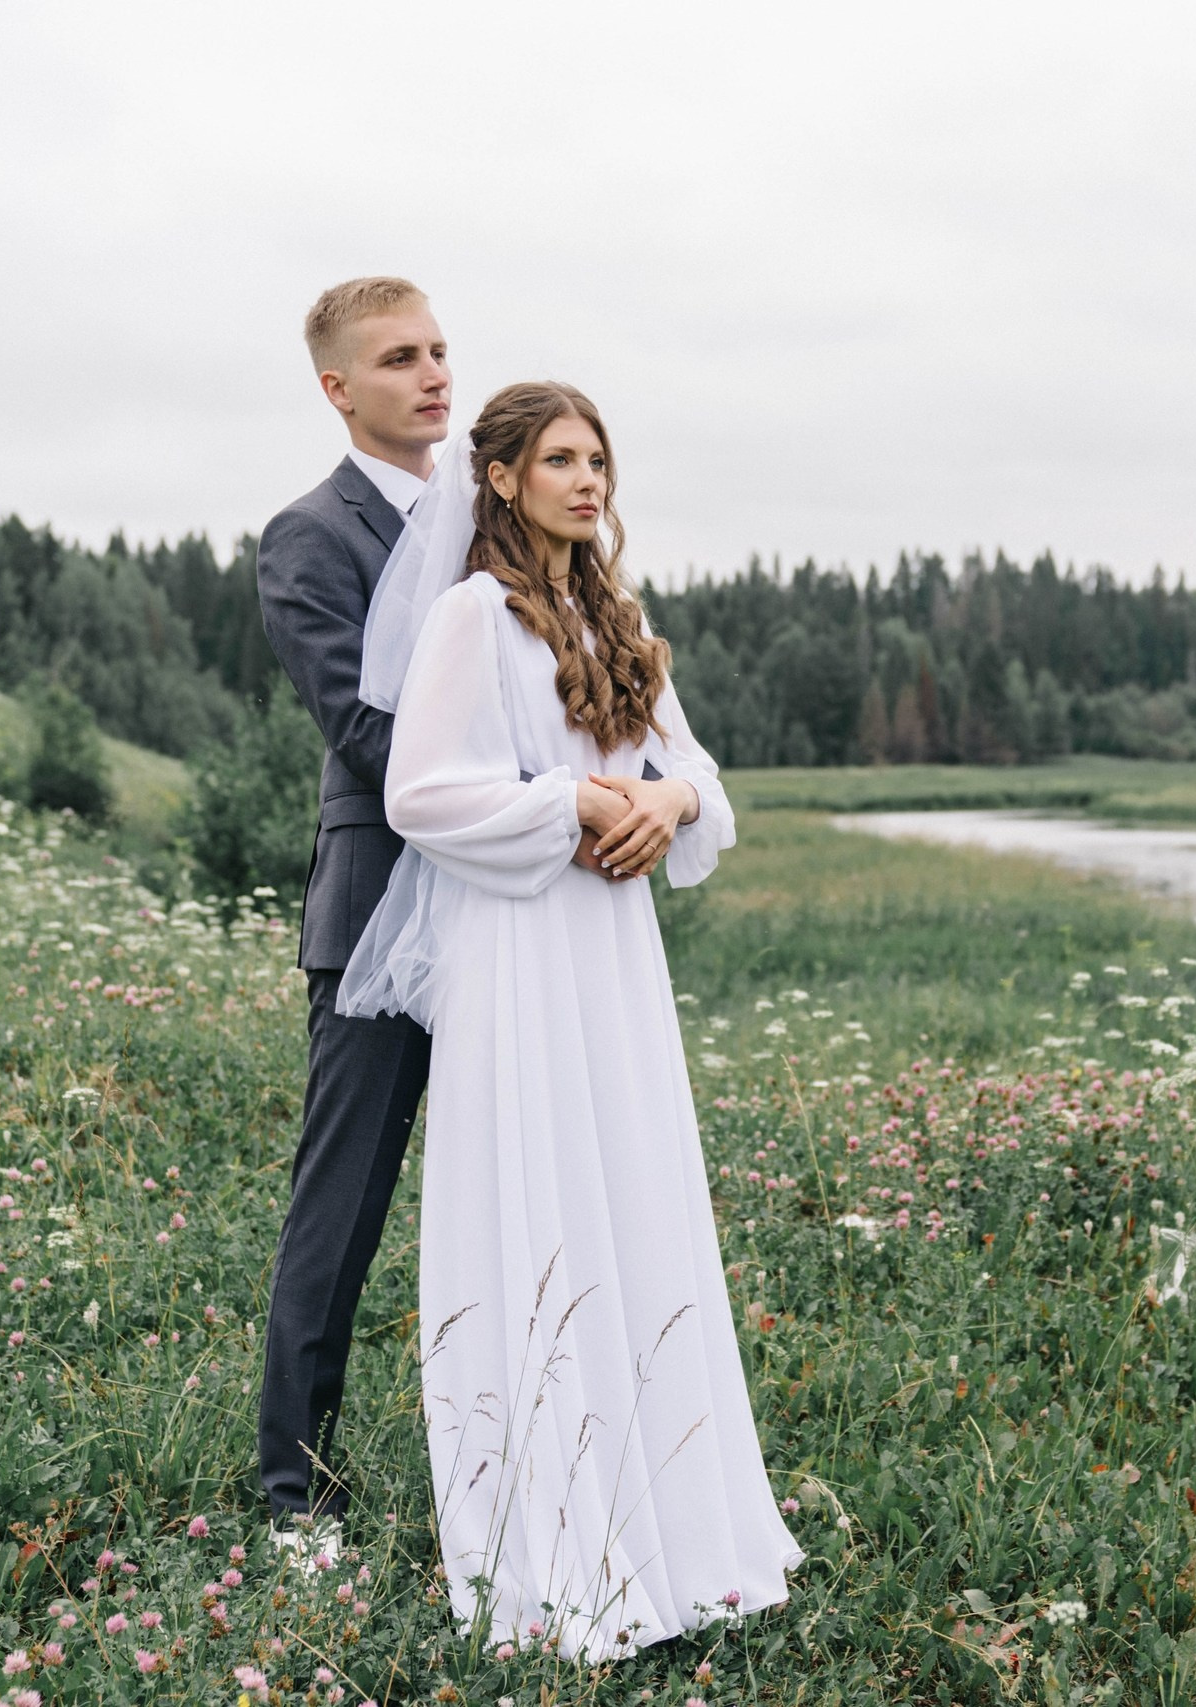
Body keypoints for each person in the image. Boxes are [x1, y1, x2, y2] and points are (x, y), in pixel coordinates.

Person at [334, 381, 800, 1658]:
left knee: (633, 1191)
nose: (588, 481)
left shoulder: (616, 617)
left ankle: (679, 1527)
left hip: (613, 951)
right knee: (539, 1197)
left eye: (597, 460)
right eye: (559, 460)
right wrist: (579, 805)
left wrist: (669, 807)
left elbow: (693, 769)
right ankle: (551, 1541)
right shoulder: (472, 617)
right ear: (499, 478)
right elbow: (422, 793)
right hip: (520, 940)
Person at [253, 276, 450, 1537]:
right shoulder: (309, 537)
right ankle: (293, 1500)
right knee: (341, 1215)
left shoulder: (489, 519)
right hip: (380, 913)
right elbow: (369, 736)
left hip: (515, 920)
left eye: (438, 351)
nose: (432, 375)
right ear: (337, 388)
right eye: (398, 359)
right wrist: (549, 802)